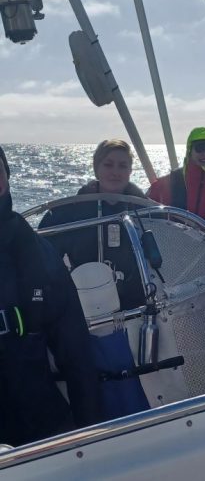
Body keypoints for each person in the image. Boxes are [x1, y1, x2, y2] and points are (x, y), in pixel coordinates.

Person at [0, 146, 100, 446]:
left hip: (32, 417)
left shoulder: (32, 252)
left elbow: (75, 351)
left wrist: (90, 434)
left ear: (6, 179)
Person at [39, 139, 148, 310]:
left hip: (138, 306)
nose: (115, 172)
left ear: (130, 171)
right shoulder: (70, 211)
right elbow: (43, 256)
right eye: (108, 165)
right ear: (96, 168)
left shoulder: (146, 211)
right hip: (85, 304)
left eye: (122, 166)